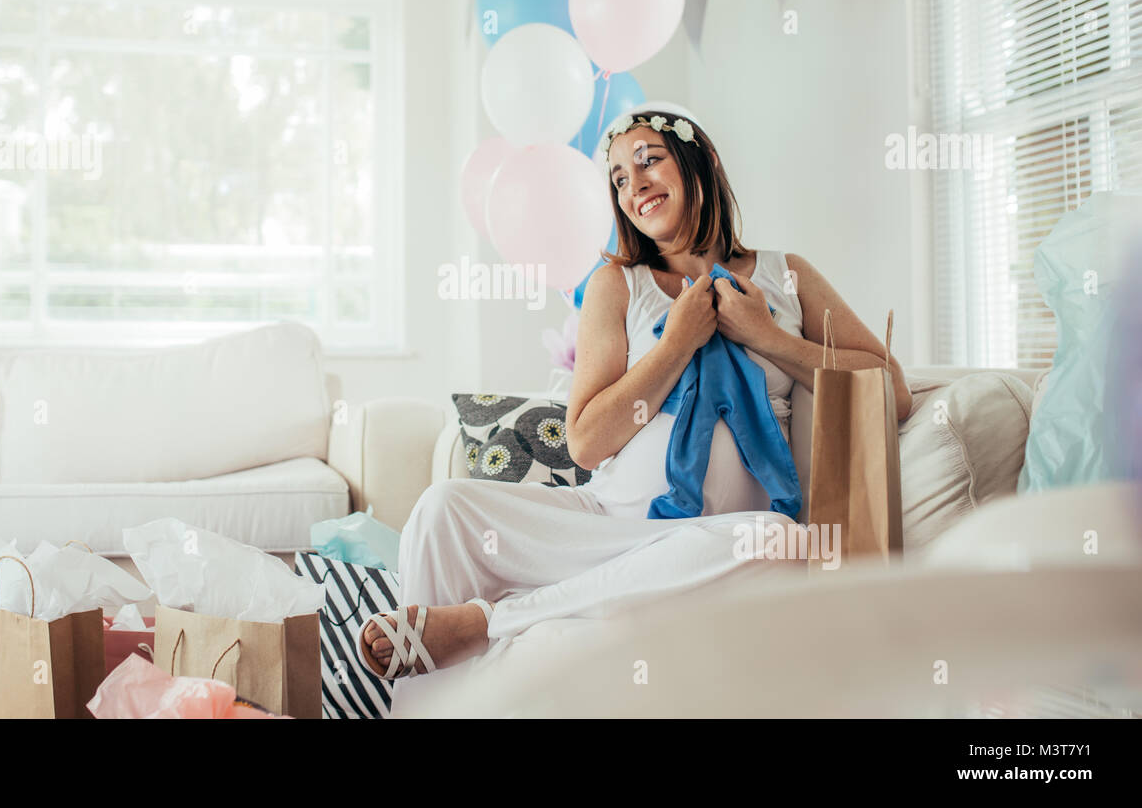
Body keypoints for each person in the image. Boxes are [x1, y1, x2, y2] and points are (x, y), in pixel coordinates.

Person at [356, 108, 912, 681]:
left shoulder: (785, 275)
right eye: (619, 177)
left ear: (704, 162)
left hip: (714, 550)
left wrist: (765, 337)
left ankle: (491, 621)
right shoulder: (618, 284)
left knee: (777, 540)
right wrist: (674, 346)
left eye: (649, 161)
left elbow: (890, 393)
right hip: (604, 528)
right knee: (442, 508)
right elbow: (587, 445)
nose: (635, 185)